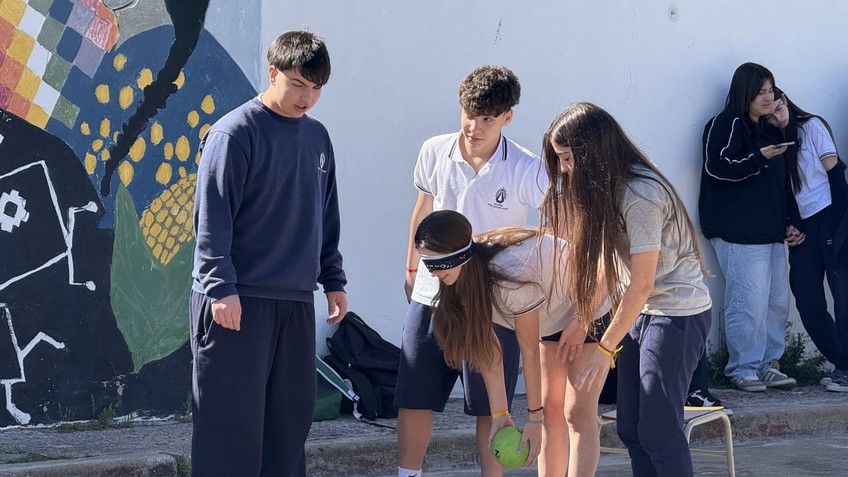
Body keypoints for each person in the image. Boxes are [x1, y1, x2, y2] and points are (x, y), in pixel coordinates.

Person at [190, 31, 348, 477]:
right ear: (273, 72)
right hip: (236, 301)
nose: (307, 97)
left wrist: (333, 280)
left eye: (316, 88)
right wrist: (220, 288)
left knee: (288, 430)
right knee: (229, 433)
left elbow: (325, 214)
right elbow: (212, 219)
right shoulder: (234, 133)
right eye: (298, 84)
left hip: (294, 301)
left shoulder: (317, 137)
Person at [542, 102, 712, 477]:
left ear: (592, 152)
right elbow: (611, 266)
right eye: (559, 160)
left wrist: (604, 349)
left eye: (567, 158)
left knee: (659, 430)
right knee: (631, 429)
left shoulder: (640, 194)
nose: (564, 169)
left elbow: (642, 282)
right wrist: (581, 319)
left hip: (676, 315)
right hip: (640, 314)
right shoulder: (608, 191)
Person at [397, 65, 548, 477]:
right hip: (432, 295)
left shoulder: (528, 167)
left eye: (486, 119)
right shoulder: (434, 151)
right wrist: (411, 268)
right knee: (414, 397)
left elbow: (558, 222)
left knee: (490, 407)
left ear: (507, 117)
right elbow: (423, 209)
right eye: (468, 114)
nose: (473, 127)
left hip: (492, 304)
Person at [414, 210, 612, 476]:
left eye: (437, 263)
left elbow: (528, 351)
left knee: (576, 413)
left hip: (589, 305)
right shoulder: (463, 279)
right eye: (427, 264)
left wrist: (533, 420)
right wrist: (500, 415)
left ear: (458, 255)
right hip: (552, 313)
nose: (433, 273)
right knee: (550, 409)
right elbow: (488, 349)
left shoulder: (509, 277)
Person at [699, 62, 797, 392]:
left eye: (771, 91)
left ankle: (768, 364)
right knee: (747, 302)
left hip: (770, 232)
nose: (768, 98)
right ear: (744, 93)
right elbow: (716, 167)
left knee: (775, 303)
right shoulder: (726, 123)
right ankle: (742, 368)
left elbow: (781, 184)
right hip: (739, 232)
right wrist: (758, 158)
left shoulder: (768, 130)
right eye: (760, 92)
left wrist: (790, 222)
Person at [766, 90, 848, 393]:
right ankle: (842, 363)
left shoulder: (811, 126)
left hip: (831, 215)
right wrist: (792, 224)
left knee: (842, 294)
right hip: (805, 226)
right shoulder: (773, 143)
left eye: (780, 108)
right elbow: (787, 192)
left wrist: (839, 227)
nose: (778, 117)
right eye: (770, 116)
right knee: (806, 297)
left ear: (786, 101)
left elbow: (835, 175)